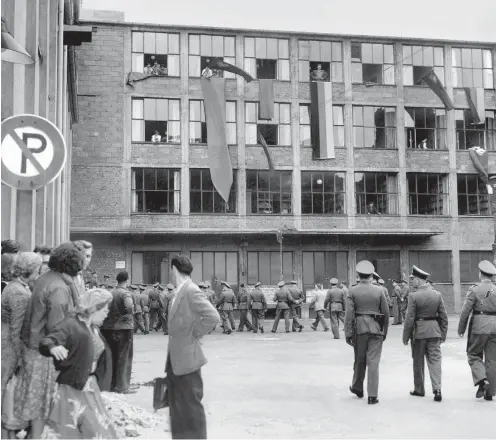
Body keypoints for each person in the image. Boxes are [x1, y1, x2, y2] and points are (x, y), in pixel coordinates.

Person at [15, 242, 84, 438]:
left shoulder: (45, 278)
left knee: (33, 399)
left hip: (31, 346)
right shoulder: (59, 289)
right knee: (42, 403)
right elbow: (57, 328)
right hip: (43, 352)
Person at [39, 288, 118, 439]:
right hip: (72, 388)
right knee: (74, 430)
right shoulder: (70, 324)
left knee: (94, 428)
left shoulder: (92, 327)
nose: (107, 314)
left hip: (88, 385)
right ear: (94, 308)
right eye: (105, 311)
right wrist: (53, 347)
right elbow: (47, 341)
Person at [165, 255, 220, 439]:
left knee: (191, 406)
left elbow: (213, 316)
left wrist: (195, 333)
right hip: (176, 358)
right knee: (178, 407)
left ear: (174, 270)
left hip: (187, 358)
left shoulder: (190, 290)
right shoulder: (180, 291)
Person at [345, 260, 389, 405]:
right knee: (374, 362)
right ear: (371, 275)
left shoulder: (352, 290)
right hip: (377, 328)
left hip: (359, 328)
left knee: (359, 359)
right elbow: (386, 313)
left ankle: (358, 387)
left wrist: (348, 333)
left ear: (358, 274)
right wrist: (384, 331)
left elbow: (349, 314)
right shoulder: (380, 290)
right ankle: (372, 396)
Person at [1, 253, 42, 405]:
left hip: (5, 340)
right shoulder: (19, 293)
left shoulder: (14, 286)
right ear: (29, 270)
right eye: (37, 269)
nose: (38, 273)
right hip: (9, 347)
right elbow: (17, 329)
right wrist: (20, 357)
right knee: (5, 385)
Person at [403, 266, 448, 402]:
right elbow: (443, 317)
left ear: (418, 279)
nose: (412, 282)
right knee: (435, 360)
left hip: (419, 333)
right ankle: (437, 389)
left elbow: (410, 319)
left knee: (418, 362)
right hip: (434, 332)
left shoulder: (414, 296)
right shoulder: (437, 294)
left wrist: (406, 336)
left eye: (413, 280)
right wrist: (443, 334)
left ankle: (419, 389)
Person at [458, 260, 496, 401]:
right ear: (492, 276)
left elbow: (465, 311)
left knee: (473, 354)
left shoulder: (474, 290)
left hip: (479, 327)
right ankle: (489, 392)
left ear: (480, 274)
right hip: (495, 327)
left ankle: (482, 380)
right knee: (492, 360)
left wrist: (461, 328)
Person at [100, 271, 136, 394]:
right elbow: (129, 307)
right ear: (127, 280)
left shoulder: (110, 293)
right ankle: (122, 386)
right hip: (124, 329)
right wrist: (128, 315)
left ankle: (112, 384)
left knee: (113, 356)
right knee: (124, 357)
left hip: (109, 328)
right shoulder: (125, 293)